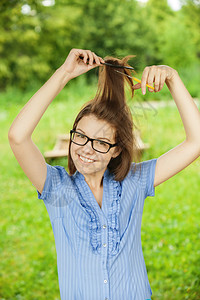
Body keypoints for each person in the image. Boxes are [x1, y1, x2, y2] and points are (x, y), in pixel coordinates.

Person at [8, 48, 200, 300]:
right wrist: (64, 74)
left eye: (100, 142)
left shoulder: (135, 180)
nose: (86, 149)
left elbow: (195, 142)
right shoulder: (56, 187)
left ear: (116, 149)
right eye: (81, 136)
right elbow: (17, 137)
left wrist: (173, 79)